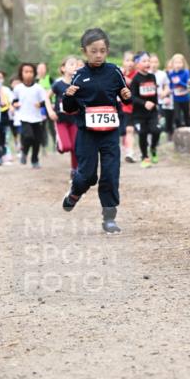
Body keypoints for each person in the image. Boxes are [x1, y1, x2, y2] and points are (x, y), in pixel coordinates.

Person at [61, 28, 132, 233]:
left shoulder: (114, 72)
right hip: (87, 133)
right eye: (93, 51)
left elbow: (126, 98)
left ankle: (109, 217)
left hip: (110, 132)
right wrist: (68, 96)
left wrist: (127, 96)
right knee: (87, 175)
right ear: (84, 52)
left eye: (102, 51)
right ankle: (75, 192)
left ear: (107, 50)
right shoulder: (79, 75)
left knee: (110, 174)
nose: (98, 55)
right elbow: (69, 109)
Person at [12, 63, 57, 168]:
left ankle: (35, 159)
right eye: (26, 72)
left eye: (31, 72)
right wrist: (15, 104)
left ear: (34, 73)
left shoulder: (38, 88)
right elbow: (14, 101)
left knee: (37, 140)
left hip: (37, 118)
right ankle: (24, 151)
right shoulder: (18, 88)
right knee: (28, 136)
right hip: (24, 117)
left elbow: (45, 101)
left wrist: (40, 104)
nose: (28, 74)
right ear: (21, 73)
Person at [50, 56, 81, 174]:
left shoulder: (78, 85)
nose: (75, 67)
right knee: (66, 147)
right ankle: (60, 144)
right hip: (61, 120)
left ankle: (74, 170)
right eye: (71, 64)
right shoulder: (58, 85)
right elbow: (46, 97)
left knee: (75, 146)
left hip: (74, 119)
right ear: (63, 68)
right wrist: (51, 111)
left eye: (76, 65)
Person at [130, 52, 160, 167]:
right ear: (137, 64)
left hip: (152, 112)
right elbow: (132, 97)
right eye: (144, 61)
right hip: (139, 114)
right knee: (142, 133)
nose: (148, 63)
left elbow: (155, 94)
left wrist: (156, 106)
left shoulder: (152, 77)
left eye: (149, 61)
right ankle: (144, 156)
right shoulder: (135, 79)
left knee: (156, 131)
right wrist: (144, 103)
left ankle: (153, 148)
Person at [150, 53, 174, 140]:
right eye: (151, 62)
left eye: (156, 62)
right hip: (148, 102)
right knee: (150, 120)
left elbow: (167, 86)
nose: (153, 64)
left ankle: (159, 136)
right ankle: (150, 137)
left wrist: (164, 92)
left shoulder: (162, 74)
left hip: (160, 101)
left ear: (159, 63)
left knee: (159, 120)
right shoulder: (146, 74)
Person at [120, 50, 137, 163]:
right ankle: (127, 150)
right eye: (127, 60)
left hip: (134, 107)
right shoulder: (120, 73)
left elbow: (132, 83)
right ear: (123, 62)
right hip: (121, 107)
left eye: (132, 60)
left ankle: (130, 152)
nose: (130, 63)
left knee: (130, 130)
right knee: (124, 132)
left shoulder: (137, 74)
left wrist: (121, 77)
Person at [0, 69, 13, 164]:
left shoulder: (6, 90)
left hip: (4, 115)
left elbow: (11, 101)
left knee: (4, 136)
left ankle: (4, 155)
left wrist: (11, 107)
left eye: (0, 77)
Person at [168, 53, 190, 128]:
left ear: (183, 63)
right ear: (172, 64)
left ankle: (189, 130)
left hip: (185, 98)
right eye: (176, 63)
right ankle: (179, 130)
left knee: (187, 117)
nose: (178, 65)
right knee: (177, 118)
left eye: (180, 62)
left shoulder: (186, 72)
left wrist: (179, 82)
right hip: (176, 99)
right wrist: (169, 92)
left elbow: (188, 85)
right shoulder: (171, 73)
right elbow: (170, 85)